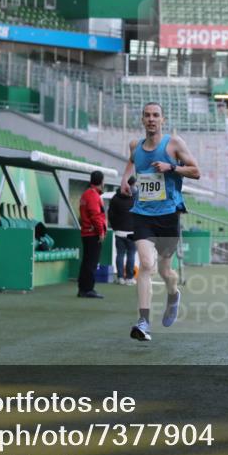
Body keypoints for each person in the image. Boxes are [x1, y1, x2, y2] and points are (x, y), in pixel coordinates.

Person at [120, 102, 200, 342]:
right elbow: (131, 160)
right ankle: (143, 321)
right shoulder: (135, 145)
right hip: (142, 213)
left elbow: (195, 171)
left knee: (166, 271)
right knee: (146, 264)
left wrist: (171, 167)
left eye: (156, 115)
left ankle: (173, 295)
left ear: (162, 120)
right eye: (147, 115)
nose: (151, 119)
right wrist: (125, 179)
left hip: (168, 215)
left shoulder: (173, 144)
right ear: (142, 120)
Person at [78, 170, 106, 299]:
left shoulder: (86, 194)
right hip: (92, 233)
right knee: (91, 262)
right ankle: (88, 289)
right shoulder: (93, 196)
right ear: (101, 181)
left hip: (86, 232)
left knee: (87, 262)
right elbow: (95, 216)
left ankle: (83, 288)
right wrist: (101, 232)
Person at [108, 175, 138, 286]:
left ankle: (120, 277)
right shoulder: (136, 198)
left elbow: (110, 215)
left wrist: (115, 227)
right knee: (131, 254)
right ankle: (129, 278)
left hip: (119, 231)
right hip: (132, 232)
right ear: (133, 184)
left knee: (120, 254)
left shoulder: (115, 198)